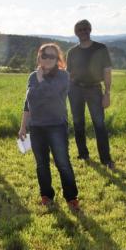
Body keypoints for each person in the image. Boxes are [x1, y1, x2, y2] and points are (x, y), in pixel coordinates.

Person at [19, 43, 80, 211]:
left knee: (63, 163)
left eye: (51, 56)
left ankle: (71, 197)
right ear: (39, 57)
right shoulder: (32, 76)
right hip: (36, 127)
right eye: (44, 55)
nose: (47, 59)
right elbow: (28, 103)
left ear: (57, 59)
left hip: (56, 126)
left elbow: (51, 94)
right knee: (41, 164)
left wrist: (41, 79)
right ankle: (46, 194)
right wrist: (23, 126)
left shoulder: (63, 76)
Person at [66, 19, 115, 169]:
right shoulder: (72, 52)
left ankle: (106, 160)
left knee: (99, 124)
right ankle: (83, 154)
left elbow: (107, 71)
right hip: (75, 90)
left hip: (94, 89)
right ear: (76, 33)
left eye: (86, 29)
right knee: (78, 123)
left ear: (90, 29)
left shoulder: (101, 48)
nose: (83, 31)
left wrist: (107, 94)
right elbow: (68, 74)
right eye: (80, 29)